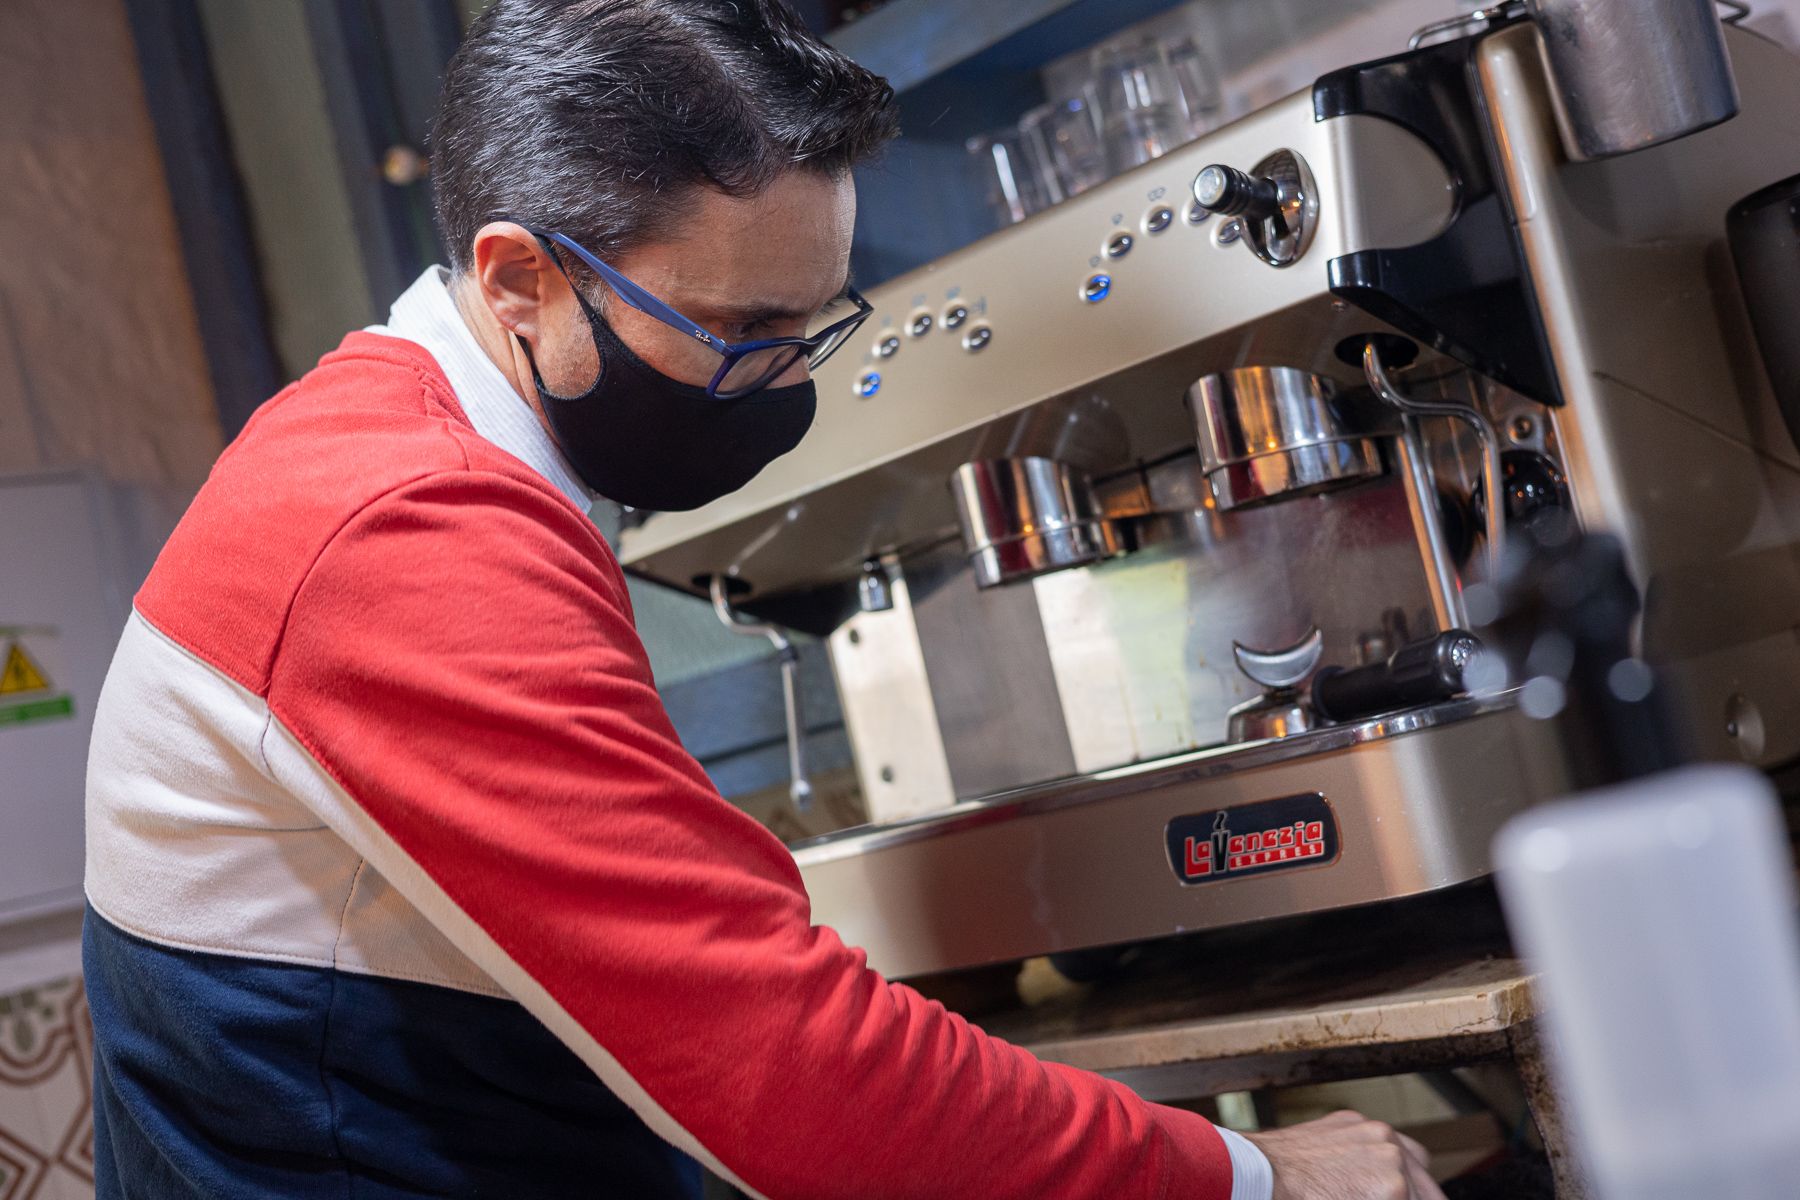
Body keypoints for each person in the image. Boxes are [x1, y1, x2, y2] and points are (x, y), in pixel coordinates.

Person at [82, 2, 1446, 1197]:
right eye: (741, 333)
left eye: (813, 325)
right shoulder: (407, 528)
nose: (788, 387)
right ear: (518, 279)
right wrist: (1255, 1177)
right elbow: (786, 1069)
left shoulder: (409, 448)